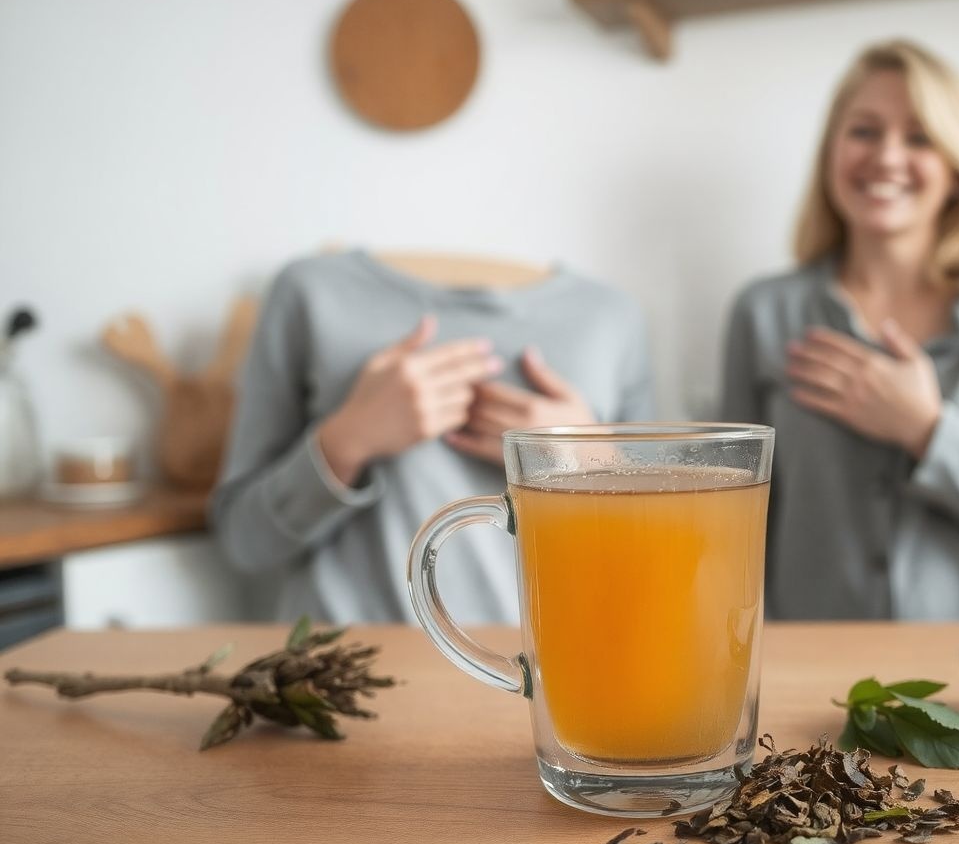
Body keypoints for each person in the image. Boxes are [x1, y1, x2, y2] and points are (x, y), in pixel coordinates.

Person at [721, 39, 959, 622]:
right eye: (864, 131)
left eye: (920, 137)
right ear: (830, 151)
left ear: (958, 169)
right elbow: (731, 535)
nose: (887, 157)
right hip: (814, 686)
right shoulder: (761, 313)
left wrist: (929, 431)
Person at [210, 249, 653, 626]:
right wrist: (346, 442)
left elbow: (656, 575)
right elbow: (244, 543)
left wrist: (592, 464)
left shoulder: (613, 317)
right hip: (344, 687)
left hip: (559, 690)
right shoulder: (309, 292)